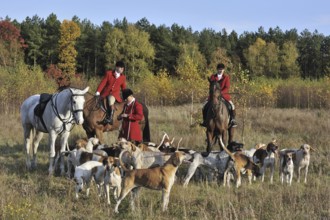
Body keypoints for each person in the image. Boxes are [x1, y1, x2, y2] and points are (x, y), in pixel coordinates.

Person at [200, 63, 237, 128]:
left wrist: (221, 93)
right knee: (204, 105)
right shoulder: (213, 77)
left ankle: (232, 120)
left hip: (224, 95)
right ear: (217, 69)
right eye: (219, 69)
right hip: (213, 96)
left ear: (224, 70)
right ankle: (205, 121)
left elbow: (227, 87)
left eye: (222, 69)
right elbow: (211, 86)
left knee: (232, 106)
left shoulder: (226, 77)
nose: (220, 70)